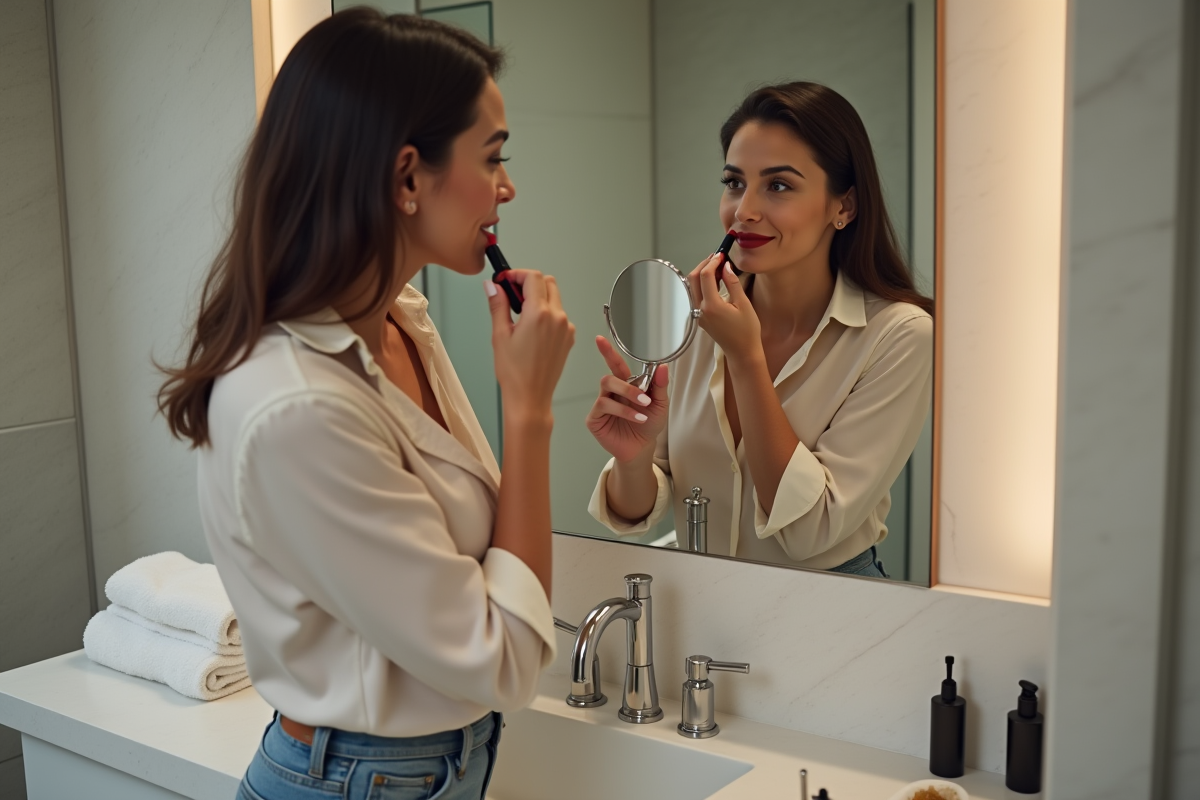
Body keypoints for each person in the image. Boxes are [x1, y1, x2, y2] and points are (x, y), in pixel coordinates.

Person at [157, 10, 574, 799]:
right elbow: (505, 661)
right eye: (493, 158)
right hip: (355, 779)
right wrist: (528, 413)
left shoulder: (400, 321)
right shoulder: (297, 405)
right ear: (407, 178)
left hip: (426, 767)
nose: (507, 187)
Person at [586, 81, 932, 577]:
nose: (743, 211)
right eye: (734, 182)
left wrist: (747, 360)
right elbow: (635, 508)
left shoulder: (899, 336)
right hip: (703, 597)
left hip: (832, 603)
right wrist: (634, 459)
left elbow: (810, 531)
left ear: (844, 207)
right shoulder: (695, 311)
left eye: (779, 185)